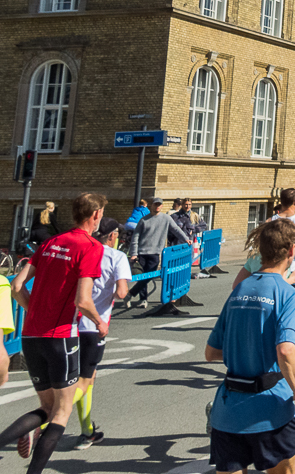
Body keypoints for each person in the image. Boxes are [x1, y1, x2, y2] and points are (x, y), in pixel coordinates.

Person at [4, 193, 107, 472]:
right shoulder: (90, 246)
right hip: (60, 336)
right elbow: (83, 301)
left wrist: (35, 310)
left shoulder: (51, 241)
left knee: (46, 408)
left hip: (31, 335)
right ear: (95, 215)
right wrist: (100, 322)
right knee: (61, 410)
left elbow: (16, 287)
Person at [205, 217, 295, 474]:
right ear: (290, 250)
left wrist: (245, 347)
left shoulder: (239, 289)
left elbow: (211, 353)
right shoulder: (288, 295)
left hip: (228, 409)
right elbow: (285, 349)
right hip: (271, 410)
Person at [72, 216, 130, 448]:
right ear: (113, 236)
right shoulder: (117, 256)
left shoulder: (83, 251)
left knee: (78, 379)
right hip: (93, 326)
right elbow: (122, 292)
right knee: (85, 379)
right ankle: (44, 420)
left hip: (68, 324)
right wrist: (109, 295)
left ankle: (87, 431)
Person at [128, 196, 192, 307]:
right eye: (155, 204)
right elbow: (135, 237)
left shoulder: (166, 218)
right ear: (151, 205)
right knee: (143, 277)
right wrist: (133, 254)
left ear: (161, 206)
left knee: (149, 276)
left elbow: (176, 229)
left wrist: (185, 238)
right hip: (141, 252)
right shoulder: (143, 220)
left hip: (155, 252)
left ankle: (130, 294)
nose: (157, 206)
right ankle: (143, 299)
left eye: (159, 205)